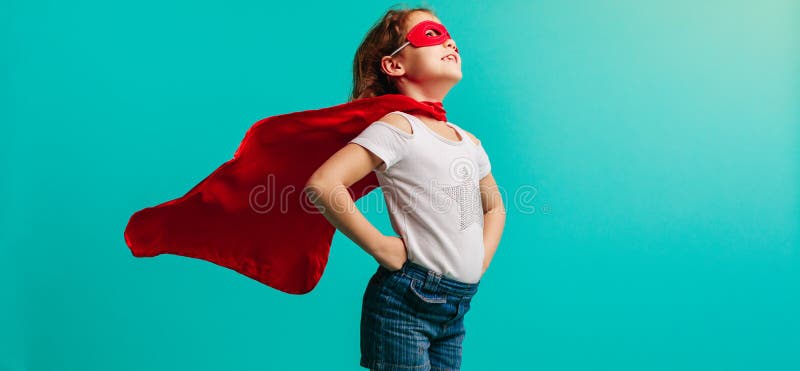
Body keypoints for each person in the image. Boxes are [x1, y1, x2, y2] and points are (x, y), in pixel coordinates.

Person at [303, 6, 506, 371]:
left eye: (449, 35)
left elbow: (494, 207)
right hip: (407, 302)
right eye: (432, 35)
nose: (450, 41)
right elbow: (324, 184)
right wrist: (381, 246)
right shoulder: (398, 129)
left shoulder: (469, 142)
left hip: (456, 306)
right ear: (394, 65)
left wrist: (480, 261)